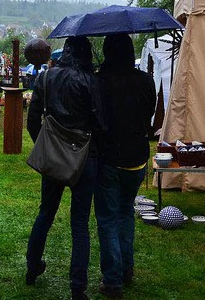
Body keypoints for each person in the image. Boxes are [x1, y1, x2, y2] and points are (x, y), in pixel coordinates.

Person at [25, 36, 103, 300]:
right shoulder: (91, 81)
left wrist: (45, 147)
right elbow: (99, 122)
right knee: (79, 223)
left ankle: (32, 267)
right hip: (85, 156)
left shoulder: (47, 78)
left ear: (65, 51)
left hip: (56, 154)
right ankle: (77, 288)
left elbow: (33, 120)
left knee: (45, 213)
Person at [94, 34, 156, 298]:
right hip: (137, 157)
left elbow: (95, 119)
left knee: (108, 218)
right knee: (125, 213)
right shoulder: (145, 80)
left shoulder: (100, 82)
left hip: (109, 158)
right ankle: (126, 270)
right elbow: (149, 113)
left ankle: (113, 280)